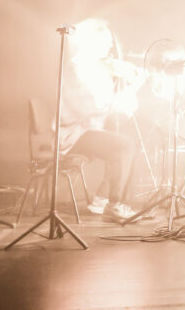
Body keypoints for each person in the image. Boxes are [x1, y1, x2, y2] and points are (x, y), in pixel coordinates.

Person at [59, 18, 142, 222]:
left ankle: (102, 200)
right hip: (71, 135)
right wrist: (131, 88)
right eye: (106, 42)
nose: (110, 47)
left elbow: (108, 107)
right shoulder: (79, 67)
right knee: (124, 145)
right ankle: (114, 204)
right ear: (93, 41)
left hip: (84, 131)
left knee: (125, 147)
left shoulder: (94, 67)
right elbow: (92, 108)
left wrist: (129, 87)